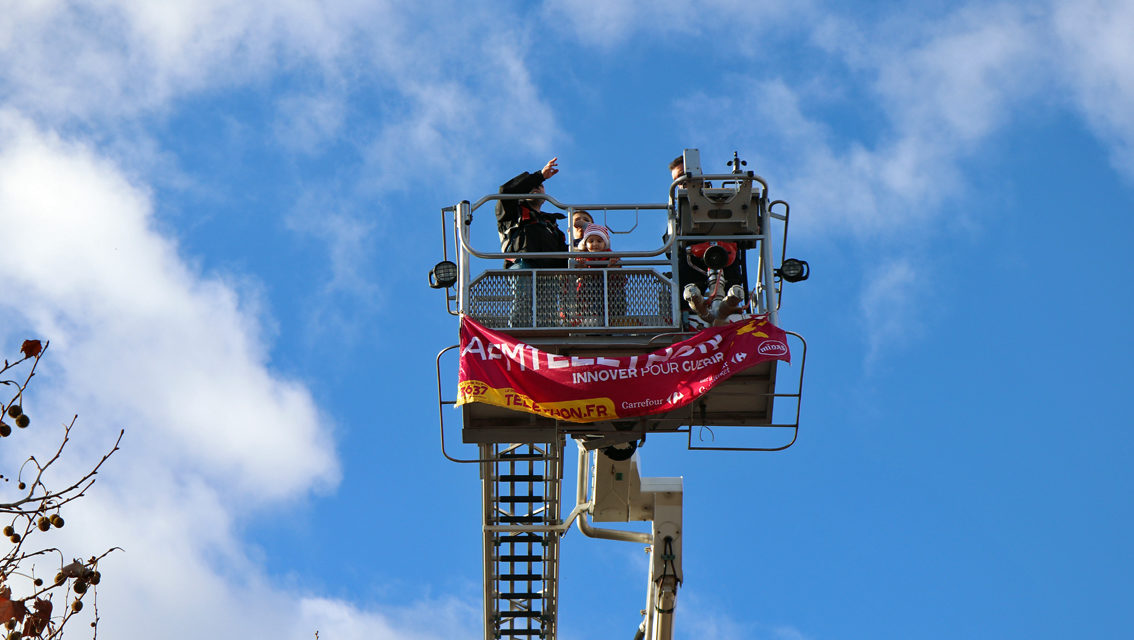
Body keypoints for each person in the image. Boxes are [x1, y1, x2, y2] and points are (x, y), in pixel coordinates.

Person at [495, 157, 568, 269]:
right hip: (523, 267)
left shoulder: (551, 225)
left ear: (545, 199)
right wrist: (540, 176)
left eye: (540, 186)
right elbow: (505, 192)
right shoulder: (511, 214)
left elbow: (564, 255)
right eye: (533, 186)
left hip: (551, 275)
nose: (537, 187)